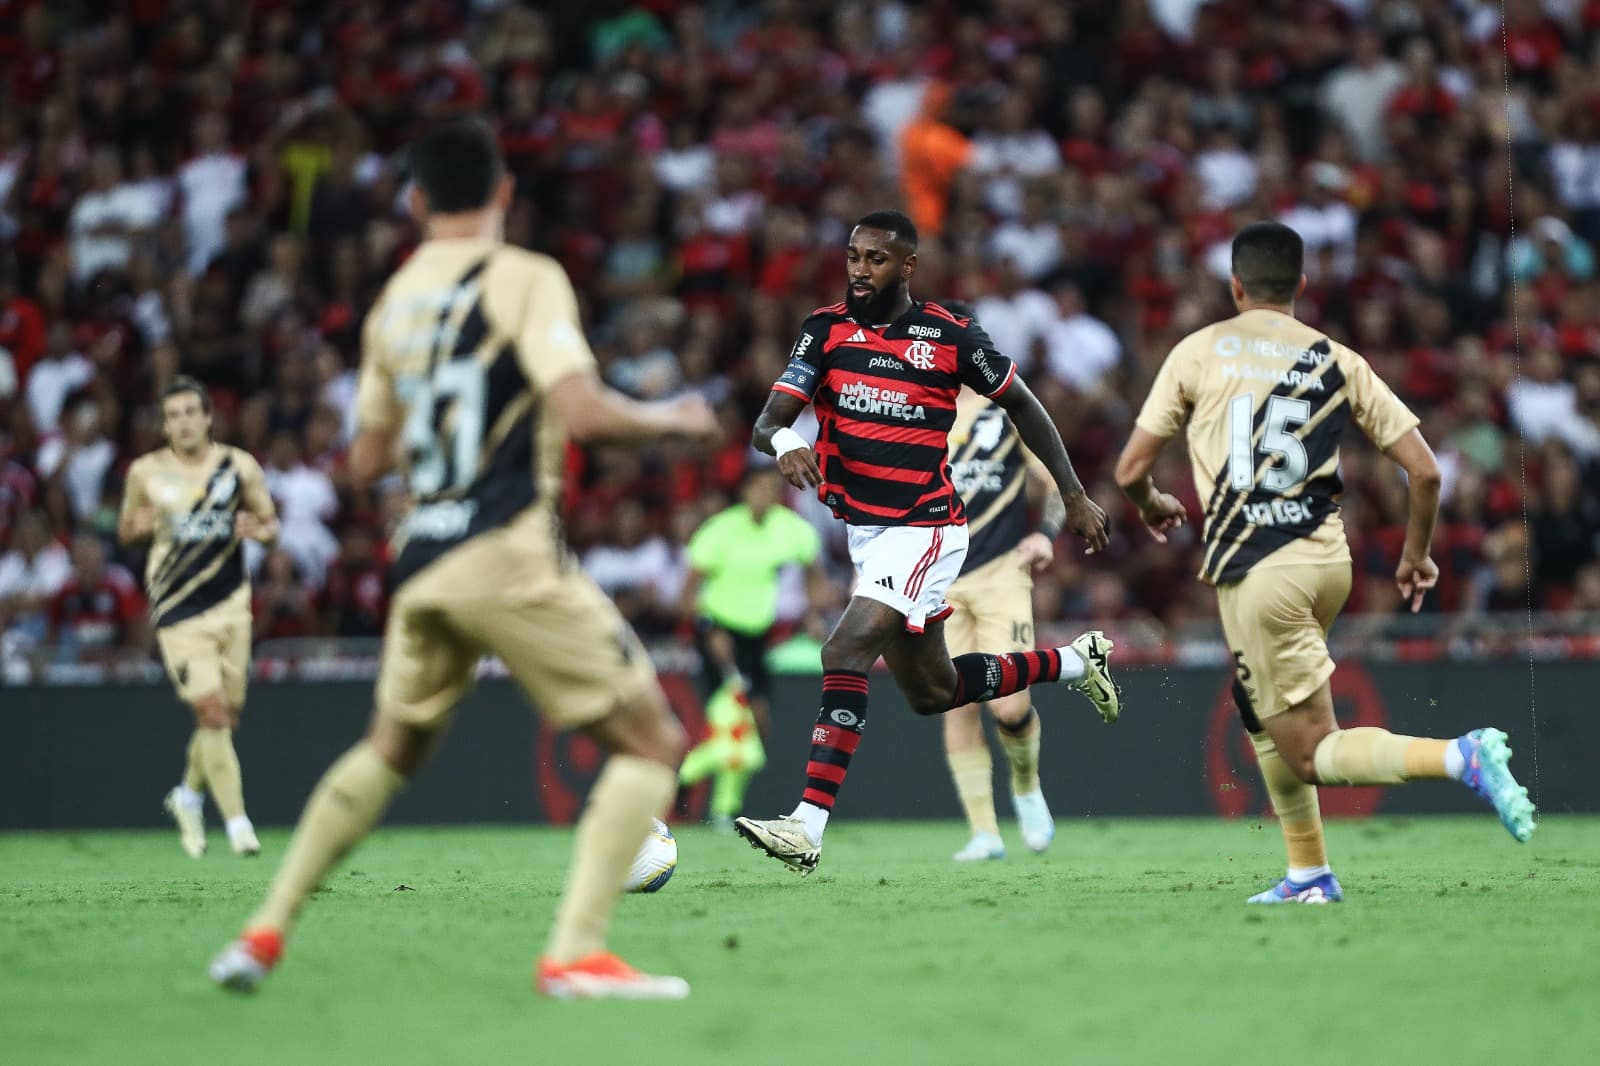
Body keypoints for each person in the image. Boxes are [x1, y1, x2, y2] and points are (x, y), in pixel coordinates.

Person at [207, 118, 718, 1000]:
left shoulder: (395, 301)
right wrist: (674, 417)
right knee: (654, 742)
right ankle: (576, 953)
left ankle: (261, 933)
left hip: (423, 557)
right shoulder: (524, 278)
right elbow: (585, 410)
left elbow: (366, 461)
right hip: (508, 549)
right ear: (504, 193)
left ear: (414, 202)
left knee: (388, 749)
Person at [1114, 221, 1536, 905]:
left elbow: (1131, 467)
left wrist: (1153, 500)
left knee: (1312, 751)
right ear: (1302, 286)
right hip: (1325, 561)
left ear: (1235, 285)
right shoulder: (1336, 358)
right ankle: (1308, 874)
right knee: (1260, 711)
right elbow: (1425, 473)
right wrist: (1415, 555)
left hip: (1258, 569)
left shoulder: (1198, 351)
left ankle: (1460, 756)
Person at [733, 210, 1118, 877]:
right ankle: (1075, 664)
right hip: (867, 532)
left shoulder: (948, 336)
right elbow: (769, 420)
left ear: (907, 266)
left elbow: (1025, 404)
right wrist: (789, 441)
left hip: (926, 527)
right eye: (853, 256)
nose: (860, 270)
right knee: (932, 692)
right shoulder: (824, 331)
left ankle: (806, 826)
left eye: (876, 259)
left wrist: (1075, 493)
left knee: (843, 648)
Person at [119, 377, 279, 858]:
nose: (184, 422)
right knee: (209, 712)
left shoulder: (238, 466)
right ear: (165, 424)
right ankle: (238, 826)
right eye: (174, 415)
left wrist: (261, 531)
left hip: (231, 604)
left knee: (224, 718)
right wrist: (137, 528)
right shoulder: (145, 472)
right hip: (177, 608)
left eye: (192, 412)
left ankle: (187, 796)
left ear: (208, 417)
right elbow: (127, 528)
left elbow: (270, 523)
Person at [941, 377, 1096, 863]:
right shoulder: (919, 411)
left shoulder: (1004, 409)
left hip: (1001, 574)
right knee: (956, 702)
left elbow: (1053, 481)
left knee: (1008, 707)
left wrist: (1047, 534)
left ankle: (1027, 787)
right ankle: (984, 832)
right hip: (938, 577)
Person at [678, 464, 821, 827]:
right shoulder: (720, 530)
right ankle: (723, 810)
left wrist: (813, 614)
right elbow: (687, 594)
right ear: (744, 492)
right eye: (758, 487)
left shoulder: (790, 529)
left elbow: (813, 574)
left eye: (772, 488)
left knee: (756, 725)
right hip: (718, 634)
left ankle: (682, 776)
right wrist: (710, 629)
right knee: (732, 723)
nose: (765, 495)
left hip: (757, 639)